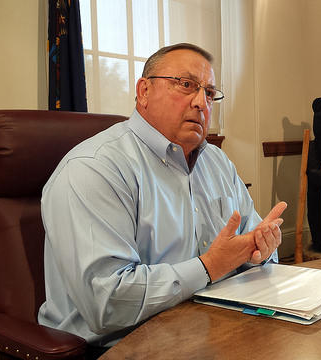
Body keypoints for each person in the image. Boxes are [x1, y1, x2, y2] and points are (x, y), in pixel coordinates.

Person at [37, 43, 287, 350]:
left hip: (210, 327)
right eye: (186, 85)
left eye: (209, 93)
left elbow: (251, 251)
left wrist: (257, 252)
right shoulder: (94, 168)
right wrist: (209, 267)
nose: (201, 102)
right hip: (116, 347)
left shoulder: (217, 163)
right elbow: (108, 302)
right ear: (144, 92)